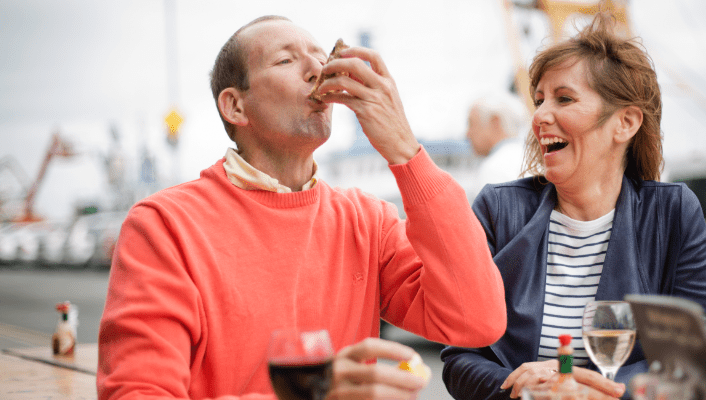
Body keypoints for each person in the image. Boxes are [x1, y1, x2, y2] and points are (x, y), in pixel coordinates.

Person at [97, 15, 508, 400]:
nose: (318, 70)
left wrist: (406, 152)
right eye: (286, 59)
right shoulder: (165, 226)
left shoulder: (367, 221)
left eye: (320, 56)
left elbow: (477, 319)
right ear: (235, 106)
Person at [441, 13, 706, 400]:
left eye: (564, 98)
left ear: (625, 123)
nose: (538, 116)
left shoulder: (673, 213)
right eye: (538, 101)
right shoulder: (497, 209)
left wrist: (590, 389)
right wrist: (516, 388)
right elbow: (461, 357)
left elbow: (691, 355)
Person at [465, 92, 531, 199]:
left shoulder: (494, 170)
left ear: (495, 122)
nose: (467, 134)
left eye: (471, 123)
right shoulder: (535, 160)